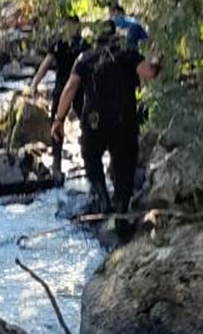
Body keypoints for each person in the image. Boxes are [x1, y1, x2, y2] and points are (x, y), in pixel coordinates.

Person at [51, 27, 161, 233]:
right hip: (123, 120)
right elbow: (148, 73)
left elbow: (70, 87)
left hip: (95, 121)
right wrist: (157, 61)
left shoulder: (85, 58)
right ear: (117, 39)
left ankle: (103, 198)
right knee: (125, 163)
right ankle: (121, 208)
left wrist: (59, 119)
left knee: (91, 157)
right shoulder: (128, 55)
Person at [28, 15, 88, 185]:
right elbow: (46, 64)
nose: (70, 28)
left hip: (77, 89)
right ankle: (57, 164)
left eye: (72, 25)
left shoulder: (82, 44)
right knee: (58, 125)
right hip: (65, 89)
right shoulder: (61, 44)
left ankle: (85, 159)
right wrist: (34, 83)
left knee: (83, 124)